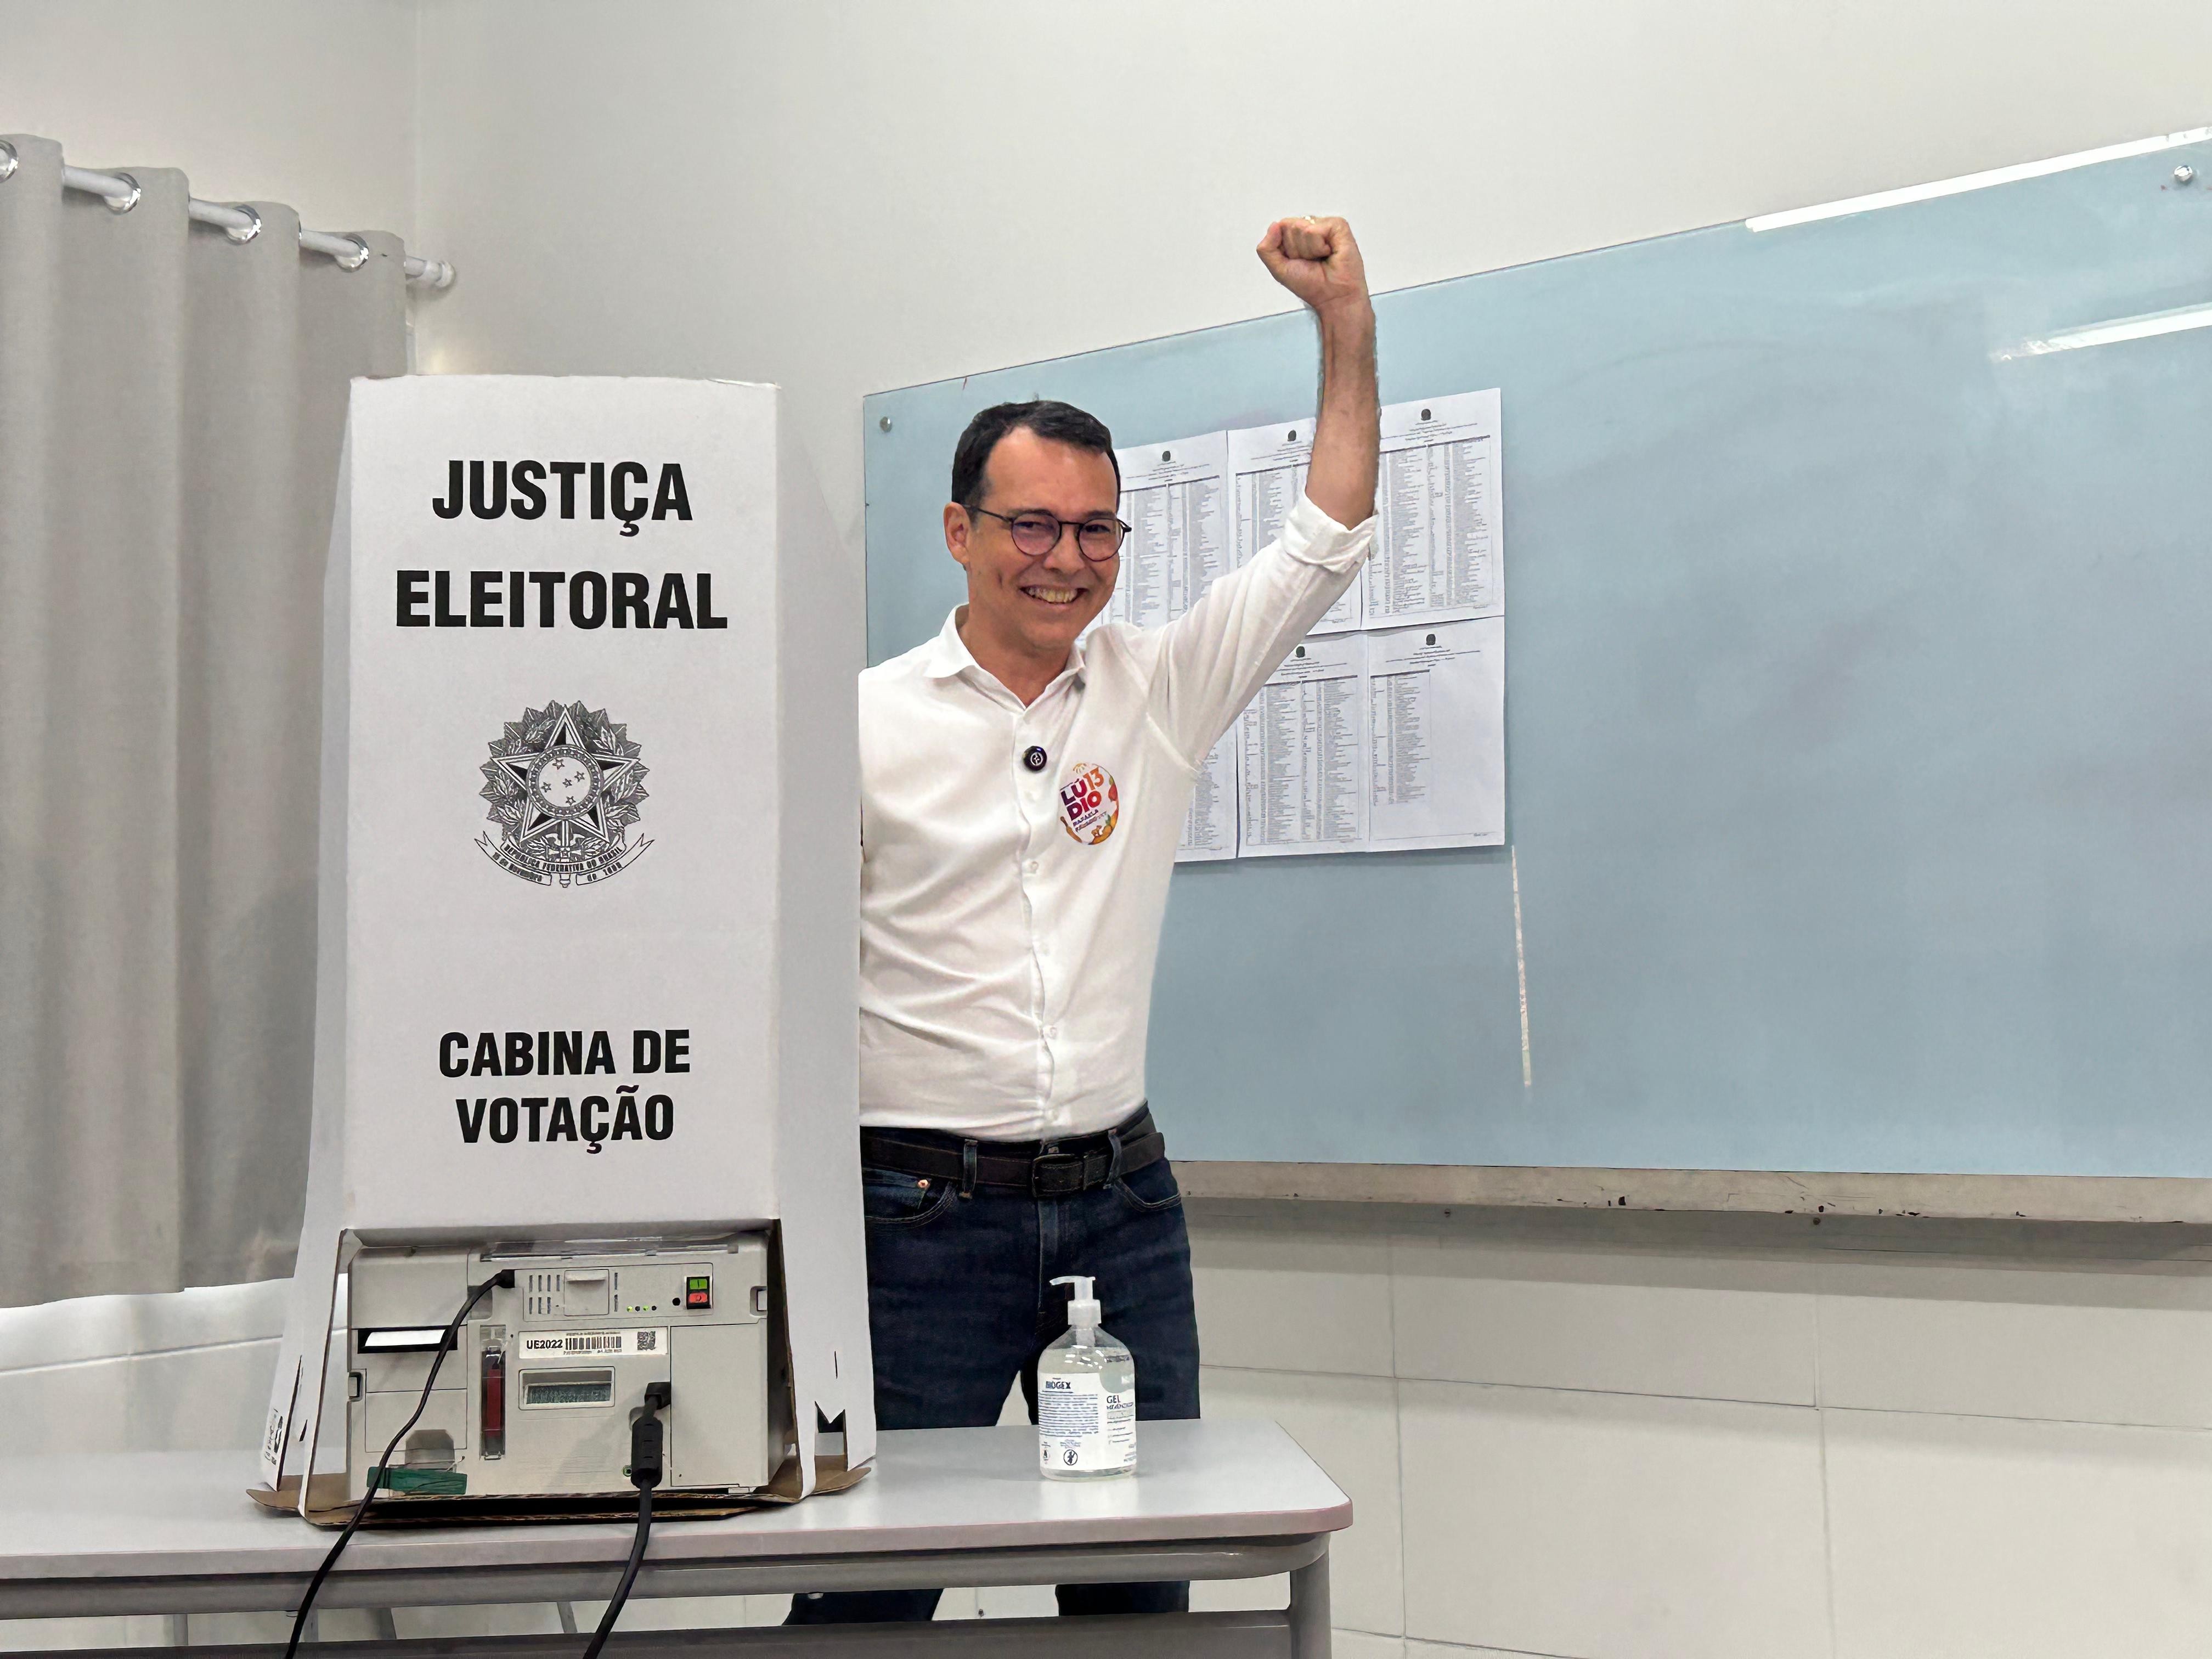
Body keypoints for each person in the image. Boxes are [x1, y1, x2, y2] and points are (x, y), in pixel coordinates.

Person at [788, 216, 1379, 1626]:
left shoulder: (1157, 691)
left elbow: (1329, 534)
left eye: (1096, 527)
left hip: (1119, 1210)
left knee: (1134, 1596)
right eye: (1032, 525)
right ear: (960, 533)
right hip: (913, 1217)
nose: (1067, 558)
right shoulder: (854, 725)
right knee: (867, 1588)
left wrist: (1344, 321)